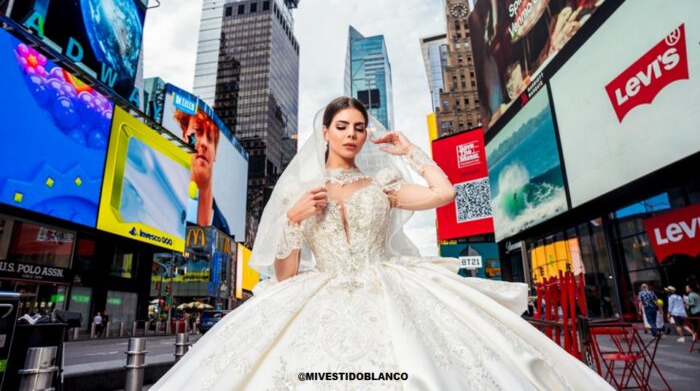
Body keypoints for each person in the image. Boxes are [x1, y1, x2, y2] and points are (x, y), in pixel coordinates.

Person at [152, 97, 612, 390]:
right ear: (326, 133)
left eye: (358, 127)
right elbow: (286, 275)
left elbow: (444, 193)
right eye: (343, 126)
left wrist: (412, 151)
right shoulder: (300, 193)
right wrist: (293, 220)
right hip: (318, 290)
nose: (352, 134)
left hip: (389, 282)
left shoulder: (383, 184)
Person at [173, 109, 230, 234]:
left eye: (210, 138)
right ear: (184, 136)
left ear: (215, 152)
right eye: (197, 131)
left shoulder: (224, 227)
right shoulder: (169, 201)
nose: (203, 143)